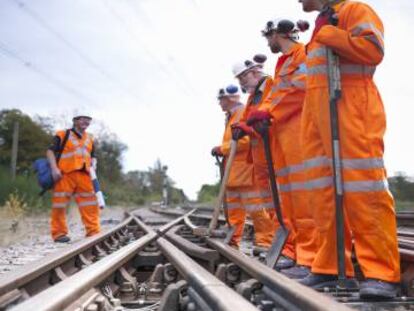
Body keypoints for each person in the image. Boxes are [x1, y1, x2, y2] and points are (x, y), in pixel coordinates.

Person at [295, 0, 400, 298]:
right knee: (322, 193)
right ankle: (329, 267)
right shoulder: (323, 23)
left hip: (351, 107)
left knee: (363, 189)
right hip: (318, 112)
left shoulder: (354, 9)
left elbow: (373, 50)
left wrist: (333, 36)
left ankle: (381, 273)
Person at [231, 55, 296, 268]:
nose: (241, 82)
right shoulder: (253, 96)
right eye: (239, 78)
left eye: (243, 77)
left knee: (281, 201)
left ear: (255, 71)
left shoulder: (269, 85)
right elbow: (250, 119)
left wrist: (252, 128)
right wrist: (243, 129)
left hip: (273, 152)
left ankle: (290, 247)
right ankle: (281, 245)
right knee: (270, 203)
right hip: (260, 154)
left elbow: (274, 113)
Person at [211, 85, 275, 249]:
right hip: (232, 172)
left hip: (246, 170)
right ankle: (233, 241)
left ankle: (265, 243)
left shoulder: (241, 113)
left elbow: (245, 139)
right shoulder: (231, 116)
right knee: (233, 211)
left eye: (221, 99)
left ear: (230, 98)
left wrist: (222, 149)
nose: (219, 103)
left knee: (257, 209)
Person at [46, 114, 100, 243]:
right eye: (83, 119)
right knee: (60, 205)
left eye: (88, 120)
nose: (86, 121)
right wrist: (54, 169)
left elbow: (93, 155)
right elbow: (50, 151)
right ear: (75, 121)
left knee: (90, 205)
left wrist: (94, 163)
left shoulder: (90, 138)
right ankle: (59, 234)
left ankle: (93, 232)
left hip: (85, 175)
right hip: (65, 174)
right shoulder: (62, 134)